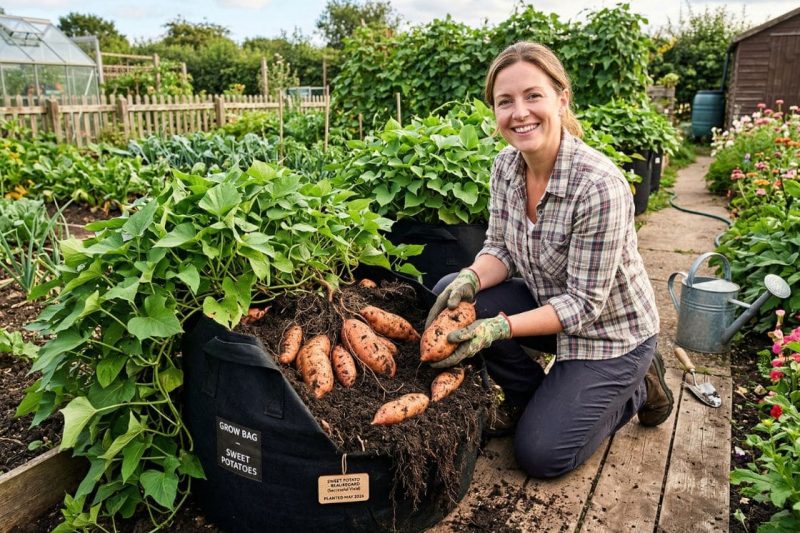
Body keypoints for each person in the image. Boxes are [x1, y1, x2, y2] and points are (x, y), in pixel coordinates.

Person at [426, 42, 671, 479]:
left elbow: (583, 305)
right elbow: (499, 249)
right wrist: (468, 277)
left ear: (561, 99)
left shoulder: (599, 186)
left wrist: (499, 328)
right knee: (452, 293)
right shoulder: (505, 166)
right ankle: (529, 395)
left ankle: (637, 385)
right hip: (548, 310)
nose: (519, 112)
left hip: (610, 335)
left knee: (541, 455)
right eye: (505, 102)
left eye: (532, 95)